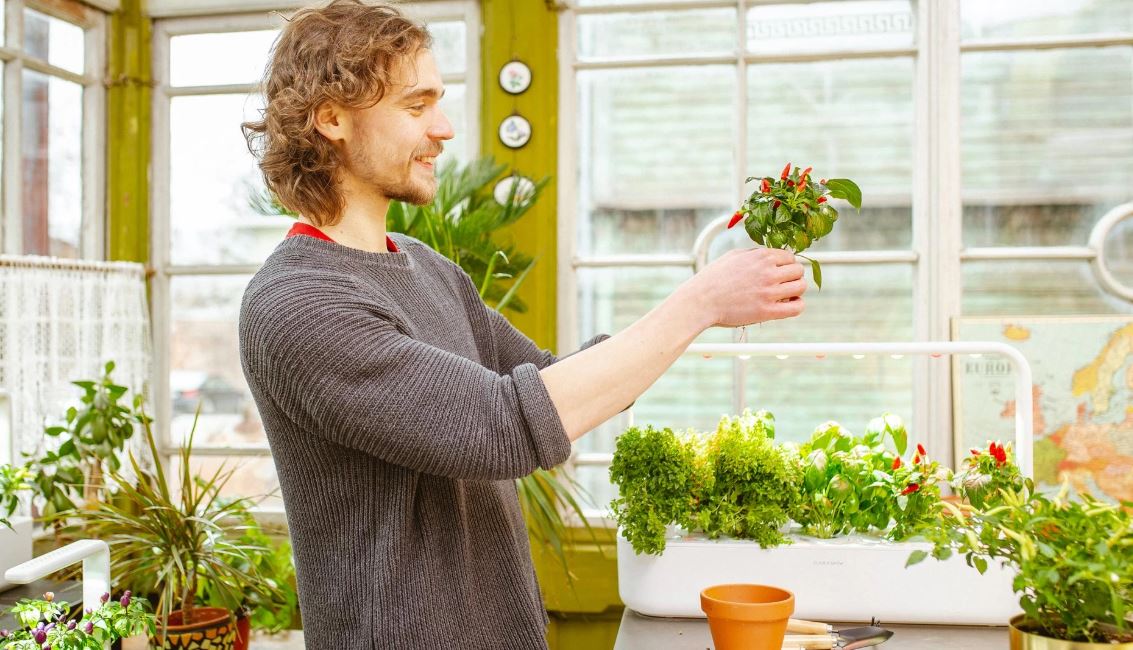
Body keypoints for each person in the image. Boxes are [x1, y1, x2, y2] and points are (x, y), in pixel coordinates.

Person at [238, 1, 806, 647]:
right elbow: (503, 426)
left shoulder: (427, 269)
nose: (444, 127)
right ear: (332, 118)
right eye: (416, 106)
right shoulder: (297, 305)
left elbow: (560, 385)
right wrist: (697, 303)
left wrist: (704, 305)